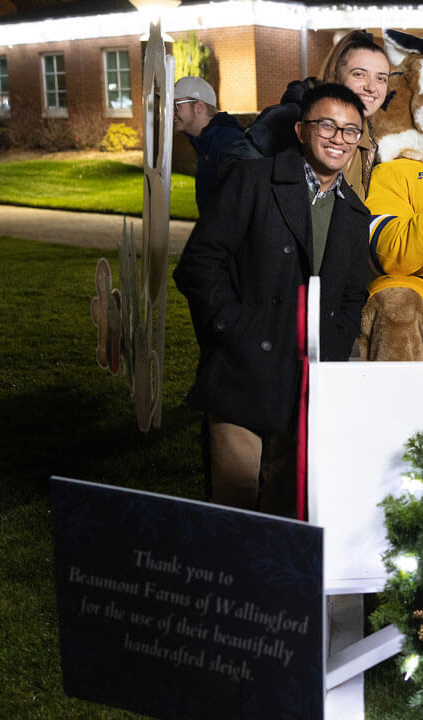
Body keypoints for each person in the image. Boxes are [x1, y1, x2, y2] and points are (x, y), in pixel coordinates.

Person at [173, 84, 372, 518]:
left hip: (307, 380)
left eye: (351, 131)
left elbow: (353, 293)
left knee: (290, 507)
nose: (339, 138)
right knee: (236, 501)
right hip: (243, 368)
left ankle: (278, 586)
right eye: (328, 126)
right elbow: (199, 265)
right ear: (301, 130)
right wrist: (233, 329)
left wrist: (333, 354)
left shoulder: (355, 215)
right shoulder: (251, 181)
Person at [230, 30, 389, 196]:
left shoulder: (372, 136)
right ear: (335, 73)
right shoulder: (287, 119)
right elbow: (236, 181)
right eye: (359, 74)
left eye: (381, 78)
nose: (371, 88)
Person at [173, 76, 245, 214]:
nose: (172, 112)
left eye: (176, 105)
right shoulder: (206, 141)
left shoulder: (227, 142)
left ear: (199, 107)